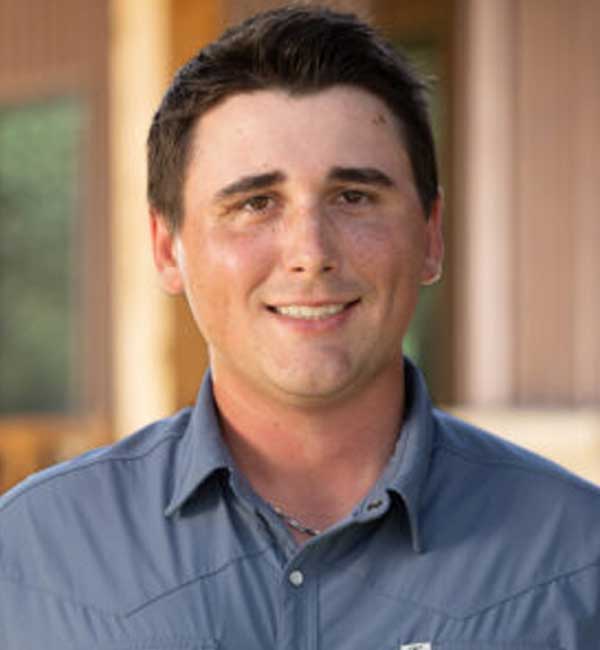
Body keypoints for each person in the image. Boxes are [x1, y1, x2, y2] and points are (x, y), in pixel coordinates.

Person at [1, 5, 599, 648]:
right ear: (167, 247)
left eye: (353, 197)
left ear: (431, 235)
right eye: (256, 203)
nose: (310, 253)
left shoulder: (578, 560)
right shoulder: (29, 557)